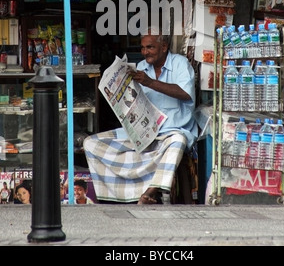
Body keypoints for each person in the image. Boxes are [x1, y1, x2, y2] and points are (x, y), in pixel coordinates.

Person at [84, 26, 198, 205]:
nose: (145, 52)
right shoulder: (141, 68)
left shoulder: (180, 63)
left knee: (177, 143)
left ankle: (151, 191)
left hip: (172, 130)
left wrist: (150, 82)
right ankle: (114, 196)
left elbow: (185, 93)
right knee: (91, 143)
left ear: (164, 47)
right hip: (144, 131)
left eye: (150, 47)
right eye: (143, 48)